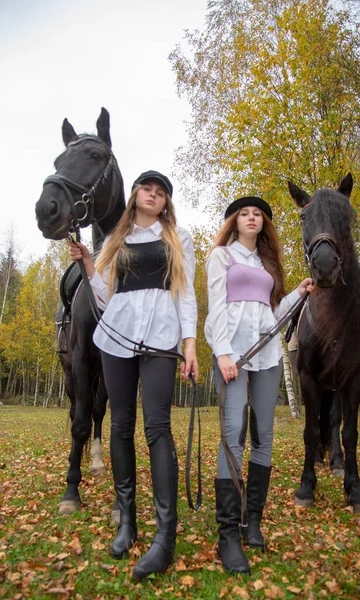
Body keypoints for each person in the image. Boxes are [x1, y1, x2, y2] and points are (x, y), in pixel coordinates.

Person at [68, 170, 198, 581]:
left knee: (157, 426)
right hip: (117, 335)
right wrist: (90, 264)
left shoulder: (178, 239)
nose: (153, 194)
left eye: (161, 192)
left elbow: (186, 292)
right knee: (120, 425)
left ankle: (165, 537)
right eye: (147, 188)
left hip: (161, 336)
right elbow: (106, 298)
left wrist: (190, 343)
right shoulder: (114, 241)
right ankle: (127, 520)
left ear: (165, 203)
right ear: (135, 195)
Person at [204, 196, 314, 575]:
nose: (252, 218)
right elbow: (217, 306)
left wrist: (297, 294)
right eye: (245, 214)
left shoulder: (267, 264)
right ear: (234, 222)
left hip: (267, 355)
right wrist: (221, 353)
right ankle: (227, 533)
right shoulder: (222, 256)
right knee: (232, 432)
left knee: (263, 435)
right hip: (233, 353)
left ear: (264, 223)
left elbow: (271, 315)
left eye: (258, 215)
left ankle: (253, 520)